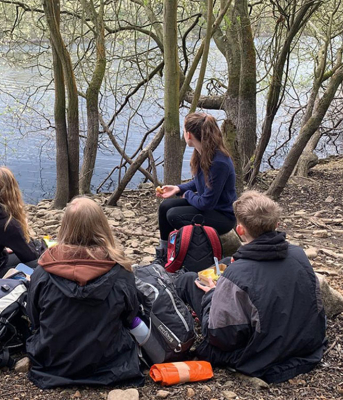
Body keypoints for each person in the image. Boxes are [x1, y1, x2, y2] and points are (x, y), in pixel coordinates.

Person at [174, 190, 326, 383]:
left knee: (187, 280)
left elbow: (220, 336)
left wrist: (212, 294)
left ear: (240, 230)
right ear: (276, 224)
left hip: (261, 356)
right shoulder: (298, 254)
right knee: (228, 261)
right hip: (306, 345)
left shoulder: (236, 275)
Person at [26, 197, 144, 389]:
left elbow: (35, 318)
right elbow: (130, 316)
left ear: (64, 227)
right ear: (102, 226)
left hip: (52, 363)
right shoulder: (121, 272)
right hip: (110, 363)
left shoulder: (43, 272)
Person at [155, 113, 237, 265]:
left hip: (223, 216)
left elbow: (206, 203)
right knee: (165, 207)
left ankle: (190, 254)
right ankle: (164, 254)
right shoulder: (202, 152)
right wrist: (177, 189)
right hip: (210, 207)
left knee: (174, 215)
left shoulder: (219, 162)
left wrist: (186, 195)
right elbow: (199, 183)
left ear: (189, 134)